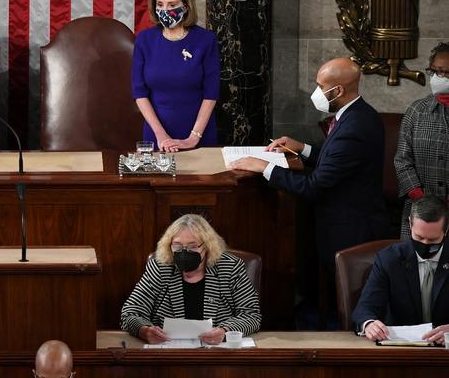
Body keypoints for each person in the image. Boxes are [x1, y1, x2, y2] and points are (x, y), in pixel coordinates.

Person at [229, 57, 389, 266]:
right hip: (346, 221)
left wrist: (264, 167)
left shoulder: (355, 127)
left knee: (340, 286)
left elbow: (312, 186)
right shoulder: (358, 113)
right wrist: (302, 148)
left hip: (350, 231)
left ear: (338, 91)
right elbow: (337, 160)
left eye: (321, 87)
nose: (316, 92)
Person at [120, 214, 261, 344]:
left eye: (192, 246)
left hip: (216, 351)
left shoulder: (230, 268)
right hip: (168, 351)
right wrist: (144, 331)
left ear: (207, 246)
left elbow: (251, 315)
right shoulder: (160, 267)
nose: (184, 252)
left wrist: (225, 331)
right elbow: (130, 312)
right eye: (177, 246)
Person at [132, 0, 221, 153]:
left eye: (172, 5)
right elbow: (139, 92)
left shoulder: (206, 40)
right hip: (156, 135)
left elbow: (211, 93)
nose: (165, 10)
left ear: (186, 6)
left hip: (198, 134)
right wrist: (161, 135)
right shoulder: (144, 40)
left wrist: (193, 138)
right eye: (160, 4)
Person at [352, 196, 448, 345]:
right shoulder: (388, 259)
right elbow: (365, 309)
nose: (425, 244)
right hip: (401, 348)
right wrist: (369, 324)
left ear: (446, 230)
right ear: (410, 224)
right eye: (419, 237)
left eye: (433, 240)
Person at [395, 42, 449, 238]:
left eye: (445, 72)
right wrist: (419, 197)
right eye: (434, 71)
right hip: (419, 212)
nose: (438, 78)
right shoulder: (417, 111)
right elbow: (402, 160)